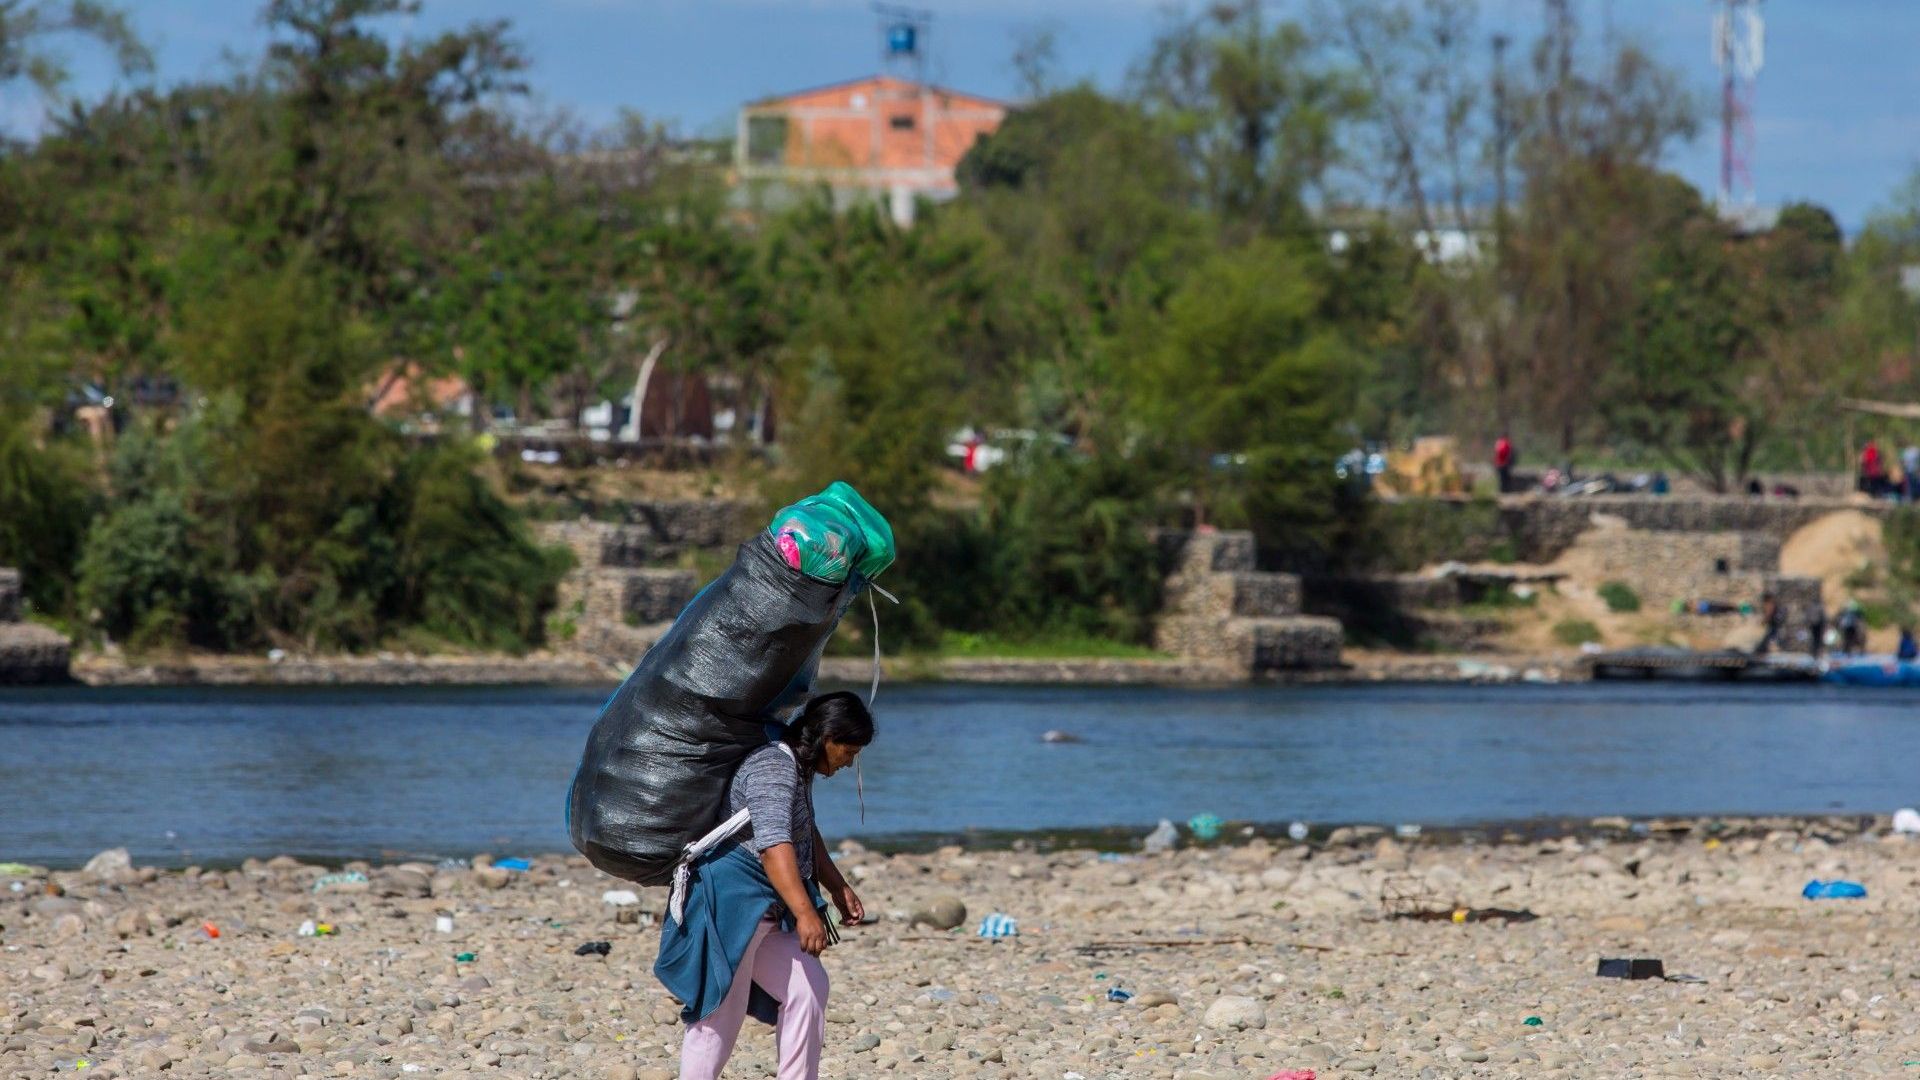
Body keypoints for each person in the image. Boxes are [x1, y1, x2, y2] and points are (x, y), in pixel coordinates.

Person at [656, 692, 874, 1080]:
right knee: (720, 1013)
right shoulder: (773, 767)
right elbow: (775, 846)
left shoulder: (799, 768)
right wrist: (807, 913)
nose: (850, 762)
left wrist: (838, 887)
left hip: (770, 907)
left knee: (808, 992)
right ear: (828, 738)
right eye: (849, 750)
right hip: (733, 904)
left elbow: (804, 829)